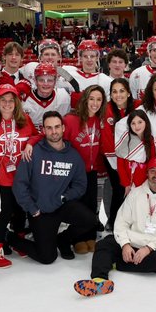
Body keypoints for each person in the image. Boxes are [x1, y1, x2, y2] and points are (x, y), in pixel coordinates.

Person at [74, 158, 156, 297]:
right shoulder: (136, 193)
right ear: (147, 173)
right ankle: (99, 281)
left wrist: (148, 248)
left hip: (155, 247)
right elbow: (121, 221)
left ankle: (114, 262)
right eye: (152, 171)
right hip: (131, 241)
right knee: (103, 244)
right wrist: (125, 244)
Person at [10, 112, 101, 264]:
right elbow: (19, 184)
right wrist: (32, 209)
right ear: (43, 130)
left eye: (57, 127)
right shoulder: (33, 152)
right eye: (49, 128)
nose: (54, 131)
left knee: (90, 220)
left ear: (63, 128)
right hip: (41, 211)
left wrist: (65, 197)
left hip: (61, 204)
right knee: (47, 257)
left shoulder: (73, 155)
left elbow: (80, 185)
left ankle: (63, 239)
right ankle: (10, 238)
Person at [0, 84, 38, 268]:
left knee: (21, 208)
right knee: (7, 210)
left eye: (11, 100)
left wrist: (30, 143)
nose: (7, 104)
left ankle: (17, 242)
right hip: (4, 175)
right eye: (3, 100)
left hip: (22, 174)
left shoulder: (24, 119)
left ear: (16, 103)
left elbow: (37, 135)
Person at [64, 85, 106, 254]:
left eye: (99, 99)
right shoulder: (70, 120)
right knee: (78, 207)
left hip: (92, 170)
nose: (95, 103)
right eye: (92, 99)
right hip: (75, 174)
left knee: (91, 205)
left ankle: (90, 236)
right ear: (85, 99)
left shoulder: (100, 120)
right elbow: (62, 145)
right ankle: (77, 239)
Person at [99, 78, 136, 230]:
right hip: (113, 157)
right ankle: (114, 221)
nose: (118, 95)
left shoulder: (137, 106)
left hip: (135, 156)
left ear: (128, 93)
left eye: (122, 91)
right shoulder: (106, 109)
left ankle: (133, 221)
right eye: (114, 92)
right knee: (119, 187)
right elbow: (107, 139)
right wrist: (118, 162)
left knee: (134, 189)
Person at [111, 108, 155, 189]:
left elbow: (152, 163)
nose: (137, 126)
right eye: (133, 123)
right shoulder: (125, 141)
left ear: (146, 122)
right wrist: (126, 184)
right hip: (130, 184)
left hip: (146, 184)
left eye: (140, 122)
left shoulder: (150, 141)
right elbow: (120, 165)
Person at [22, 63, 72, 131]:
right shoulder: (25, 99)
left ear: (55, 81)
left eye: (50, 80)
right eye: (41, 80)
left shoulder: (64, 96)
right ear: (35, 81)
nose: (46, 84)